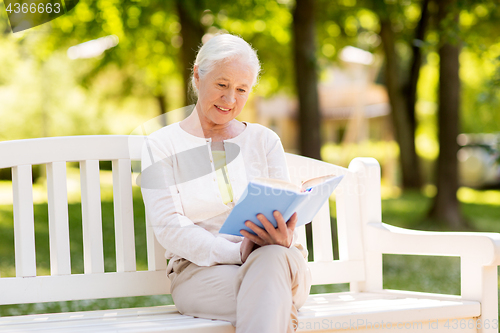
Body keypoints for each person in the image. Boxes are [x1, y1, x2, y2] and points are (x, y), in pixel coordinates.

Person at [140, 33, 311, 333]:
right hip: (201, 274)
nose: (230, 99)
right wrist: (236, 253)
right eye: (222, 85)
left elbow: (283, 207)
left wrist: (284, 238)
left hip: (282, 261)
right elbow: (170, 226)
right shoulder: (161, 144)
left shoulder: (265, 140)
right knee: (269, 295)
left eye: (242, 89)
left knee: (270, 261)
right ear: (197, 75)